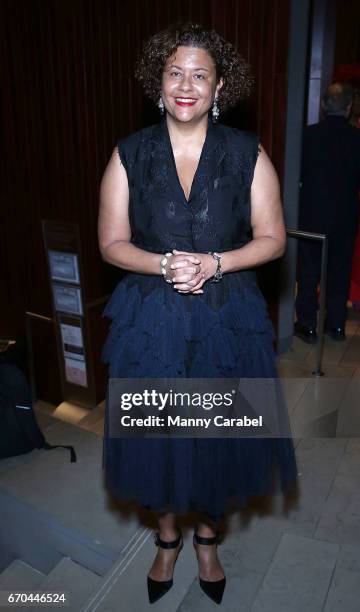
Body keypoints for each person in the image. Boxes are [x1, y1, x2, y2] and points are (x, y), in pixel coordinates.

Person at [98, 22, 298, 606]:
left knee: (217, 434)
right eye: (175, 72)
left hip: (227, 316)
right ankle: (167, 538)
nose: (187, 84)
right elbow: (111, 242)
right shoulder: (129, 153)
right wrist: (162, 265)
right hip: (148, 320)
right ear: (157, 82)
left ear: (219, 87)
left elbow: (274, 239)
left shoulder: (246, 153)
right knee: (156, 435)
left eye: (200, 75)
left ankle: (207, 538)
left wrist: (216, 262)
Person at [295, 83, 360, 344]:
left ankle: (307, 325)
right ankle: (336, 326)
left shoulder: (308, 136)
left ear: (323, 106)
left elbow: (297, 174)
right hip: (345, 213)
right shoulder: (357, 139)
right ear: (349, 108)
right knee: (340, 270)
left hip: (312, 211)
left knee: (309, 270)